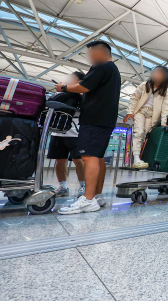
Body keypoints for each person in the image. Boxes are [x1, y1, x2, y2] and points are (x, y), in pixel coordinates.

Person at [56, 40, 121, 214]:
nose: (89, 57)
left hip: (94, 118)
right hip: (105, 120)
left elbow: (82, 86)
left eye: (91, 53)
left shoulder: (101, 67)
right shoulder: (113, 70)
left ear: (100, 52)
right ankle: (97, 196)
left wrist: (63, 87)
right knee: (97, 157)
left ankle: (88, 200)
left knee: (89, 157)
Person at [122, 66, 168, 169]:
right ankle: (136, 159)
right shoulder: (144, 85)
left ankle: (138, 159)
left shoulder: (165, 92)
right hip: (140, 111)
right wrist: (130, 112)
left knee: (145, 136)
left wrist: (163, 123)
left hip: (152, 116)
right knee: (138, 132)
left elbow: (165, 108)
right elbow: (134, 98)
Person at [47, 72, 85, 197]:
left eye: (72, 79)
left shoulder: (81, 93)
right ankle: (63, 186)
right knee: (60, 160)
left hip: (74, 132)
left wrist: (68, 89)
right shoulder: (59, 93)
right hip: (57, 132)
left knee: (78, 160)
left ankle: (83, 186)